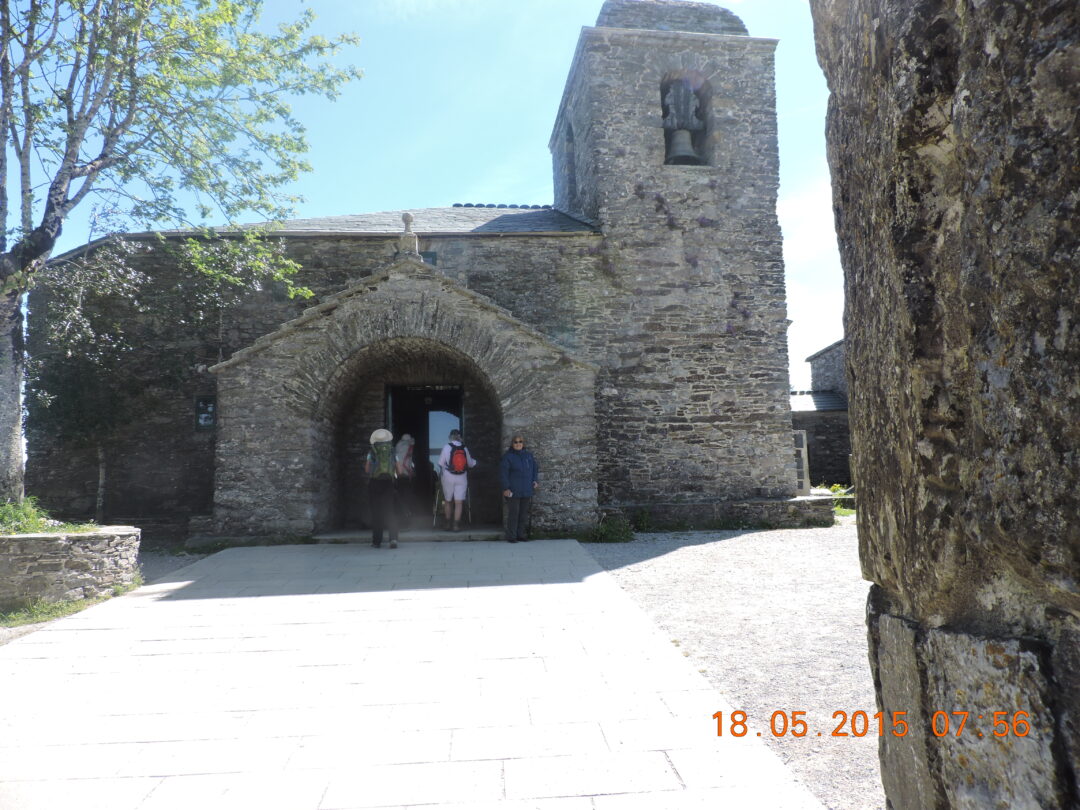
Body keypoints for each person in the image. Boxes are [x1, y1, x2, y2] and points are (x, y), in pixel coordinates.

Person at [499, 435, 539, 543]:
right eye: (516, 442)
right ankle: (511, 536)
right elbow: (503, 474)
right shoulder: (507, 457)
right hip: (513, 490)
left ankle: (520, 535)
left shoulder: (528, 456)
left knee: (523, 514)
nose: (518, 444)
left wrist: (535, 480)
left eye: (520, 441)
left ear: (523, 443)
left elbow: (535, 469)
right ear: (512, 444)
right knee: (514, 514)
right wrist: (506, 488)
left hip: (526, 489)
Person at [364, 428, 399, 549]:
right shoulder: (392, 450)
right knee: (390, 511)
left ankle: (376, 541)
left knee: (376, 512)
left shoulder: (372, 451)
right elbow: (398, 468)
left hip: (374, 483)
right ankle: (393, 539)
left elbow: (367, 469)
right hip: (388, 483)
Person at [437, 428, 475, 531]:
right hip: (462, 477)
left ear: (450, 437)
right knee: (459, 502)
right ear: (460, 437)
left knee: (448, 501)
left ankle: (447, 524)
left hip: (448, 476)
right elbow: (470, 464)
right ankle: (456, 525)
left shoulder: (446, 447)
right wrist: (475, 462)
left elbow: (440, 463)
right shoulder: (464, 448)